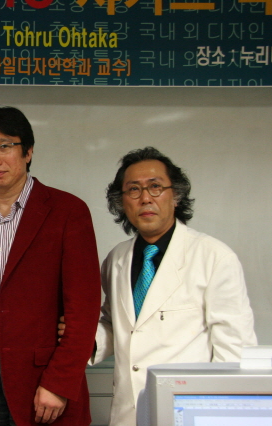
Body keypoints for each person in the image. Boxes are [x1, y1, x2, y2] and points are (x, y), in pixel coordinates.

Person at [0, 106, 101, 426]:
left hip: (42, 376)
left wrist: (59, 382)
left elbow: (84, 309)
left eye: (5, 146)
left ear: (28, 151)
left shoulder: (67, 211)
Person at [89, 147, 257, 426]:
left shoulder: (213, 256)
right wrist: (83, 338)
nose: (145, 198)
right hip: (127, 412)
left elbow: (235, 351)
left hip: (188, 412)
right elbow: (116, 323)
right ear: (122, 201)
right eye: (133, 189)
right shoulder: (116, 259)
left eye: (155, 187)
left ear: (175, 195)